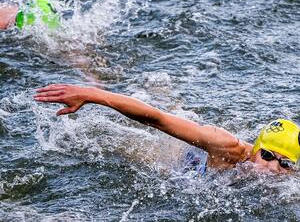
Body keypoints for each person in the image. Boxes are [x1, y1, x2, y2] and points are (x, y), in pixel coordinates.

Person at [34, 84, 300, 175]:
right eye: (267, 156)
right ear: (256, 149)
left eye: (285, 164)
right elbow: (156, 119)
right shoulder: (226, 146)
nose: (273, 168)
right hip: (184, 161)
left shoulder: (289, 180)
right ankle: (95, 79)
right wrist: (90, 94)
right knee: (123, 151)